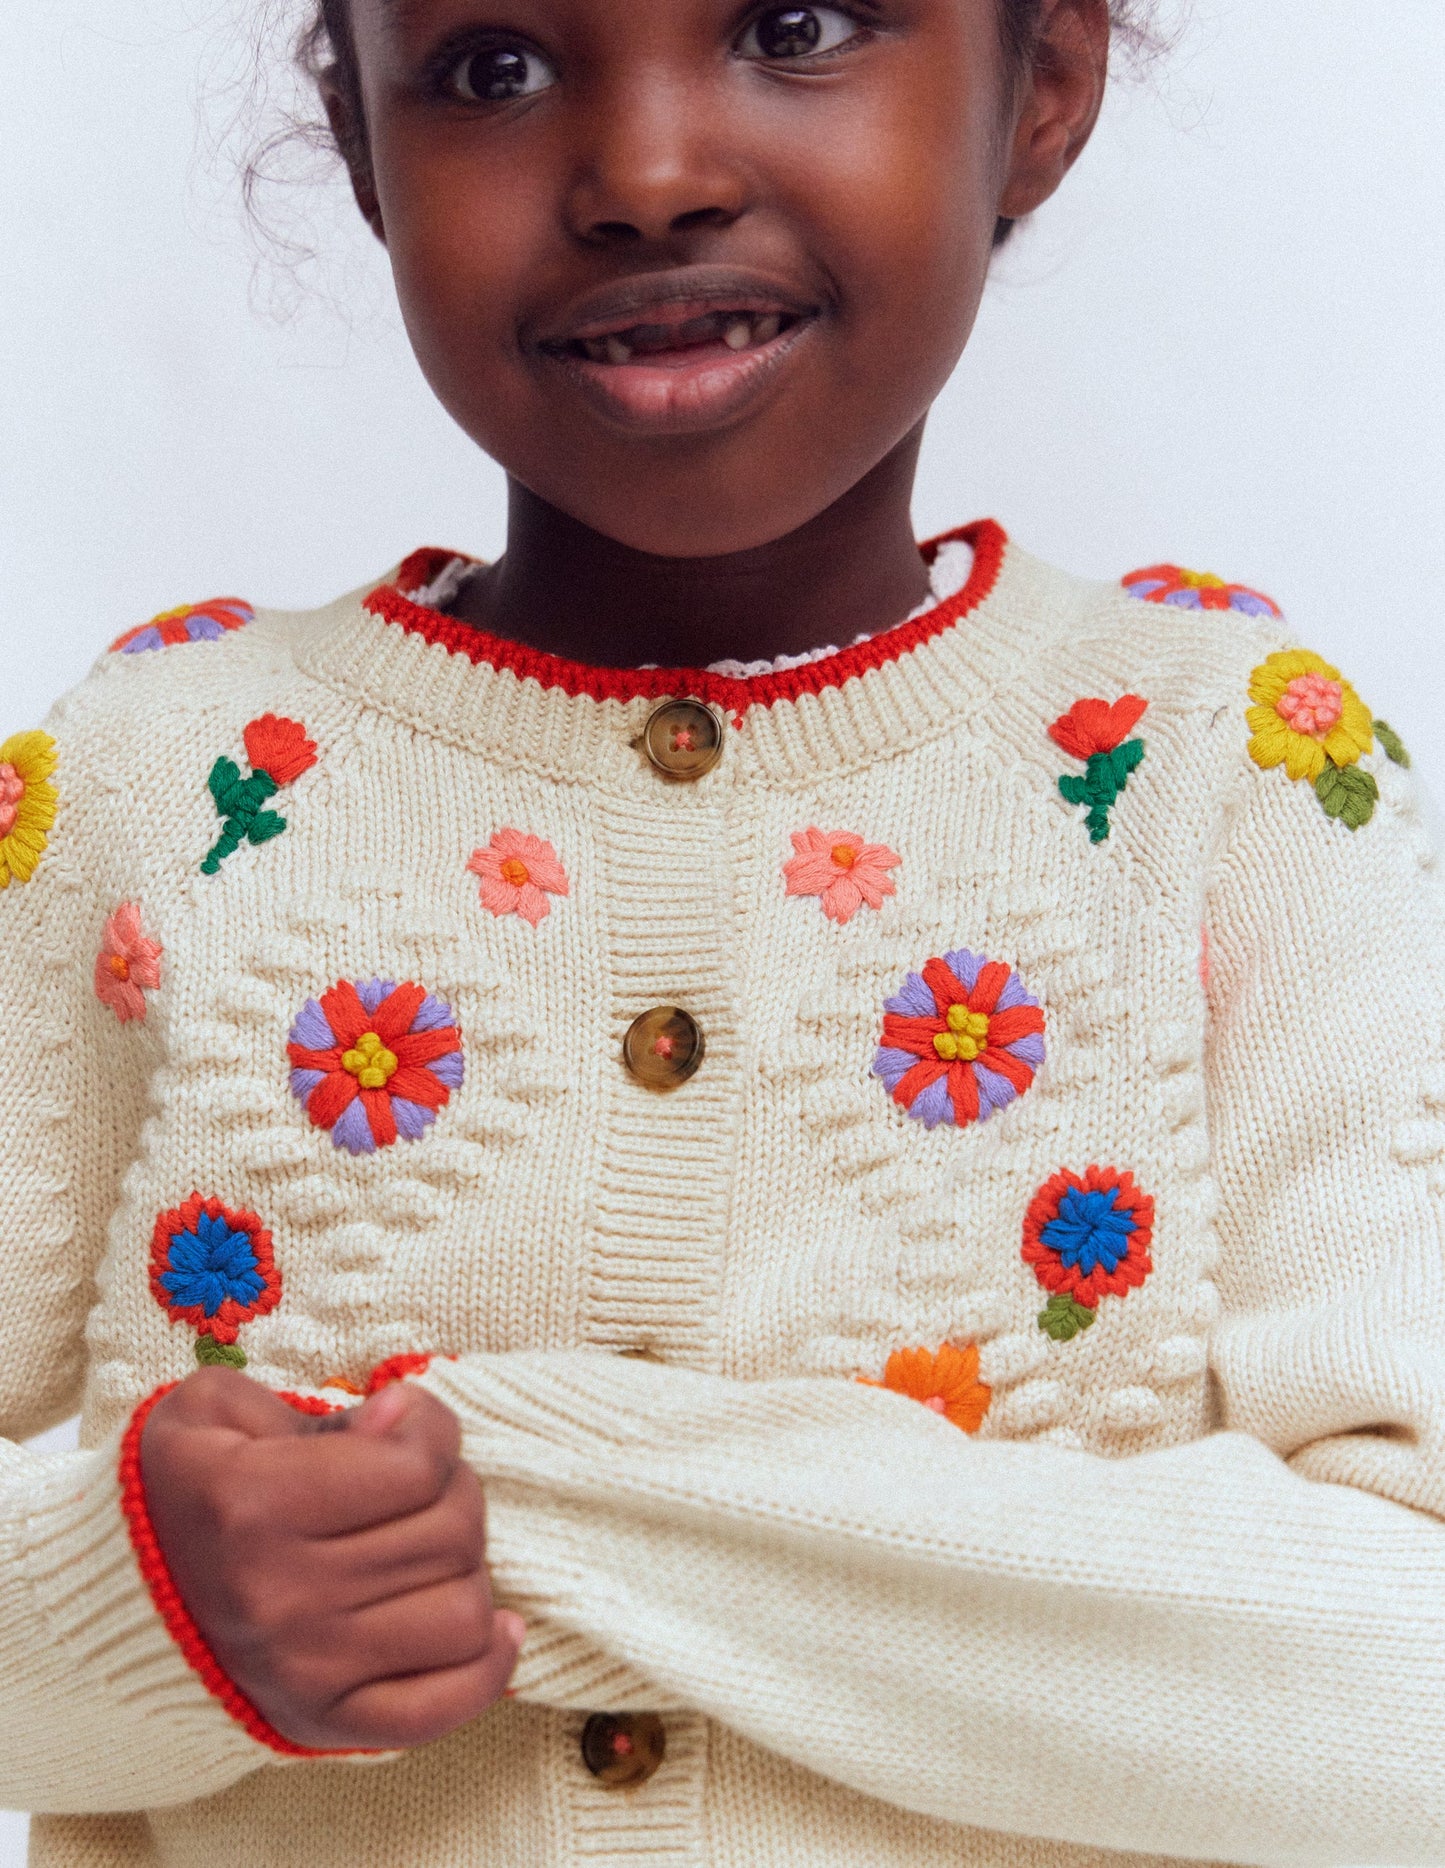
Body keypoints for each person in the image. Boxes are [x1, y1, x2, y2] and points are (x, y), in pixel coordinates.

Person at [2, 0, 1442, 1863]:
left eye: (795, 23)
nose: (649, 176)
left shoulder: (1235, 780)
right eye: (492, 69)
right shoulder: (142, 793)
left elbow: (1409, 1687)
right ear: (363, 148)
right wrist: (126, 1603)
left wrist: (518, 1493)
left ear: (1043, 90)